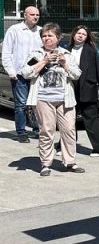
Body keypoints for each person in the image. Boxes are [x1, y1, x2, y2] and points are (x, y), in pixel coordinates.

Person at [21, 23, 84, 176]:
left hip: (65, 100)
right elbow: (25, 73)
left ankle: (69, 161)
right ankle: (45, 164)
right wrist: (43, 61)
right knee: (46, 131)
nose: (46, 38)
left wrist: (65, 64)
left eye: (50, 36)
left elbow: (77, 74)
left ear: (58, 38)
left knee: (69, 130)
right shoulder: (36, 54)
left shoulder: (67, 54)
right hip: (43, 99)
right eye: (44, 36)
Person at [68, 25, 99, 156]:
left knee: (91, 120)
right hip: (71, 89)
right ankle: (66, 146)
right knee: (69, 119)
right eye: (78, 33)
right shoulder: (67, 49)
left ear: (87, 37)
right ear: (74, 34)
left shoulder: (90, 50)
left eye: (84, 34)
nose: (80, 35)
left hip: (87, 89)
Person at [2, 5, 42, 141]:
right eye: (32, 15)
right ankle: (21, 132)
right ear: (25, 15)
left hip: (36, 74)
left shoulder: (40, 31)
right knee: (21, 104)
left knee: (36, 103)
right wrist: (10, 71)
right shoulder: (15, 30)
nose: (35, 17)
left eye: (37, 15)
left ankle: (38, 130)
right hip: (19, 74)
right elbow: (6, 52)